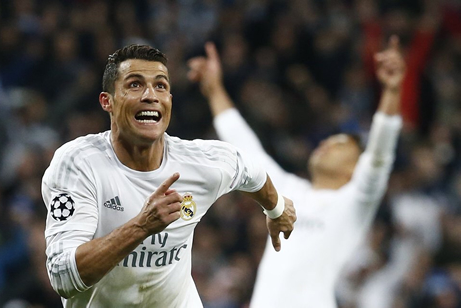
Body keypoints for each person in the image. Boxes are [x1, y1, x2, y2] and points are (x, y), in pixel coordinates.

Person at [41, 44, 296, 307]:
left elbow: (251, 172)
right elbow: (63, 276)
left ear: (169, 102)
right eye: (135, 85)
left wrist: (276, 209)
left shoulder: (201, 162)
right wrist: (141, 226)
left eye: (161, 86)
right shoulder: (79, 164)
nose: (151, 95)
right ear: (108, 101)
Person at [188, 36, 404, 308]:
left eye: (340, 145)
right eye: (327, 141)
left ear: (356, 168)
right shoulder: (288, 191)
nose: (326, 145)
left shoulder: (353, 201)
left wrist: (392, 92)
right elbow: (245, 148)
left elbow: (379, 156)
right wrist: (215, 88)